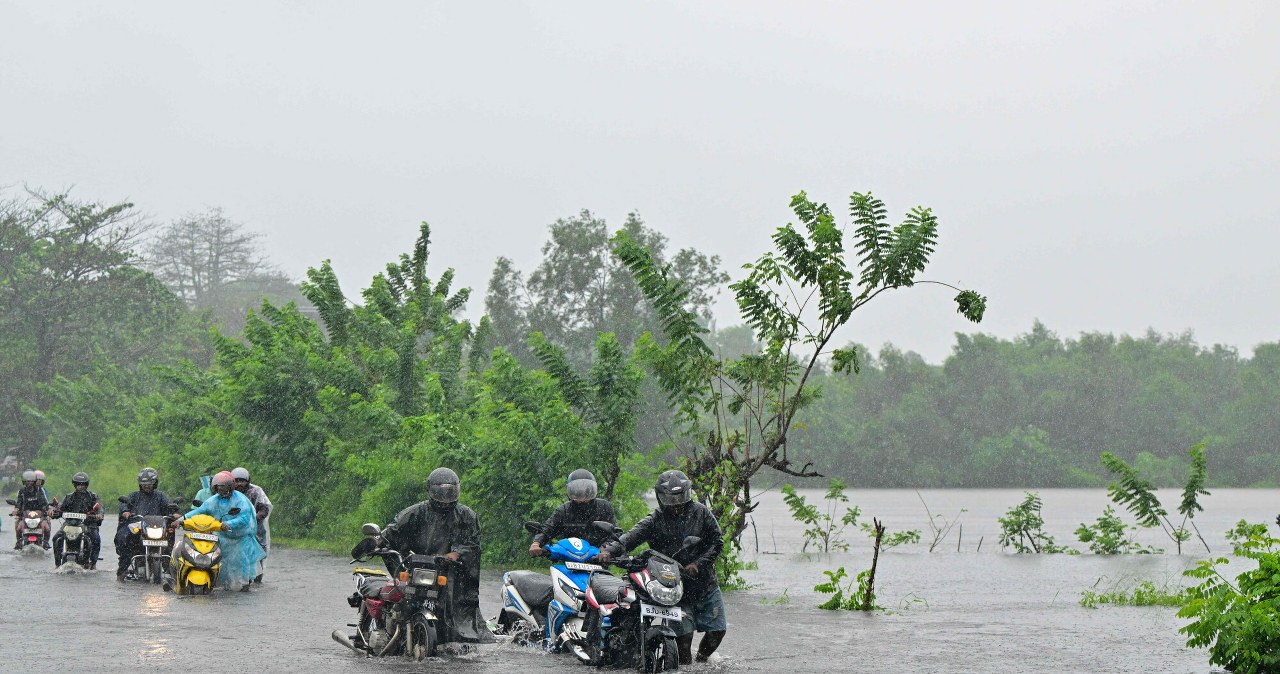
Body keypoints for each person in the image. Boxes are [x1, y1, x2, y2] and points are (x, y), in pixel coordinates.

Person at [599, 470, 727, 665]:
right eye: (670, 499)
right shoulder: (655, 519)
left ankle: (702, 661)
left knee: (717, 631)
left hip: (705, 582)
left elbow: (717, 541)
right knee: (683, 641)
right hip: (674, 585)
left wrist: (698, 564)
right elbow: (631, 537)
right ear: (660, 498)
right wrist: (610, 551)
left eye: (680, 497)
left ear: (688, 494)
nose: (676, 504)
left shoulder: (701, 512)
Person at [372, 467, 494, 644]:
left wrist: (457, 553)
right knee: (403, 595)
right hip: (418, 566)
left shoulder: (467, 515)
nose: (445, 500)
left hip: (452, 572)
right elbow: (392, 532)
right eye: (441, 494)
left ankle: (451, 634)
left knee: (460, 609)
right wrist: (378, 542)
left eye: (449, 493)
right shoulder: (414, 513)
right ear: (431, 490)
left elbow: (473, 544)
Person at [174, 471, 264, 591]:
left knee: (240, 570)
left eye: (223, 487)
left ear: (230, 486)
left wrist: (228, 524)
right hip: (221, 539)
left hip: (240, 542)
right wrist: (181, 520)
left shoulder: (240, 500)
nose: (220, 490)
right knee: (221, 566)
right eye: (218, 487)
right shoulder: (214, 500)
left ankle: (243, 588)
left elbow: (244, 518)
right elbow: (199, 511)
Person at [529, 468, 616, 556]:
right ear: (571, 491)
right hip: (570, 559)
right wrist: (536, 543)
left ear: (591, 490)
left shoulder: (604, 507)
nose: (582, 496)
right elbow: (548, 529)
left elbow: (614, 532)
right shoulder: (564, 511)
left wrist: (606, 548)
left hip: (597, 559)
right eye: (578, 491)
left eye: (585, 491)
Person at [115, 467, 172, 580]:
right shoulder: (134, 496)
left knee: (171, 536)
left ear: (155, 483)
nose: (147, 485)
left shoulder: (161, 496)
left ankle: (170, 570)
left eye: (150, 483)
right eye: (144, 483)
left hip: (157, 527)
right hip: (138, 528)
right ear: (140, 484)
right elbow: (125, 505)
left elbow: (168, 507)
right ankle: (122, 571)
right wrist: (125, 511)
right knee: (125, 538)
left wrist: (173, 513)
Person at [52, 472, 103, 568]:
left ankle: (93, 563)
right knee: (56, 538)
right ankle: (57, 564)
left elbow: (99, 507)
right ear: (74, 485)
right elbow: (59, 507)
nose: (80, 486)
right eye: (78, 484)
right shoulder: (69, 497)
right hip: (69, 524)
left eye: (83, 484)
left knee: (96, 539)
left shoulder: (93, 497)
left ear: (86, 485)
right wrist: (54, 512)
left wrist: (99, 515)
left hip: (88, 524)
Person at [231, 467, 272, 583]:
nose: (239, 484)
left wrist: (253, 519)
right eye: (237, 481)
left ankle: (257, 580)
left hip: (256, 531)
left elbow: (264, 508)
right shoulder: (230, 493)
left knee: (259, 556)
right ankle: (241, 580)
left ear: (247, 481)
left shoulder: (255, 491)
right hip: (237, 530)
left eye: (242, 481)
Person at [12, 470, 52, 549]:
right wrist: (16, 509)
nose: (29, 483)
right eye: (27, 481)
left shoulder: (39, 490)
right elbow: (19, 503)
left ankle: (46, 543)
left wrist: (48, 510)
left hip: (40, 515)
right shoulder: (22, 491)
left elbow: (45, 502)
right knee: (19, 527)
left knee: (47, 527)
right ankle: (19, 542)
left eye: (31, 481)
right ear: (24, 482)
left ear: (34, 481)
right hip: (25, 515)